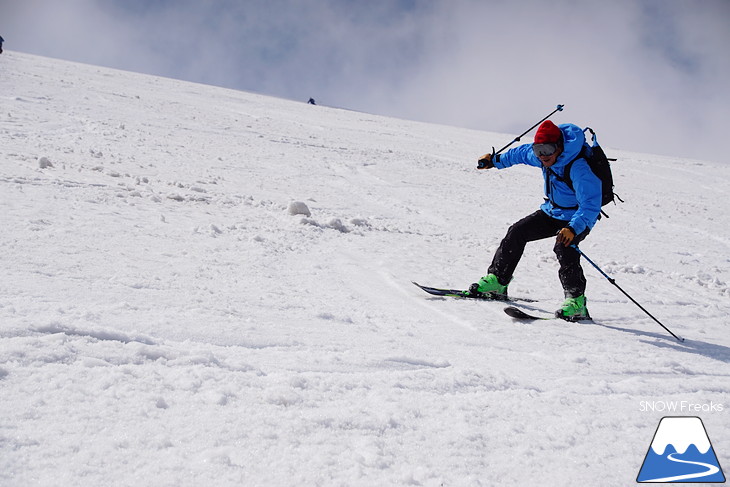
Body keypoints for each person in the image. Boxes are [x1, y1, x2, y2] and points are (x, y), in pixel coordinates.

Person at [471, 120, 602, 320]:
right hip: (552, 212)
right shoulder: (541, 157)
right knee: (517, 232)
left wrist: (573, 228)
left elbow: (591, 204)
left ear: (559, 147)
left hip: (578, 217)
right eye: (538, 149)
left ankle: (576, 302)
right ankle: (498, 282)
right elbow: (519, 154)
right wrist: (495, 161)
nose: (543, 155)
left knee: (564, 247)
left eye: (548, 149)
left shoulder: (578, 167)